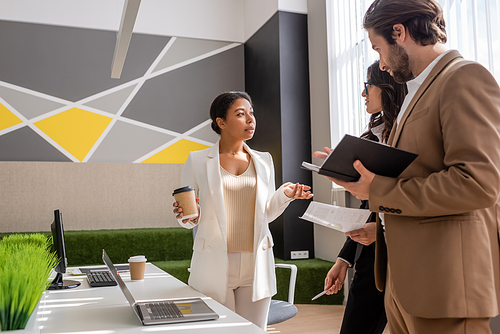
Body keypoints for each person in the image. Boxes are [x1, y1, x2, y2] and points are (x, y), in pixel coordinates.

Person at [316, 0, 500, 333]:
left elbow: (478, 182)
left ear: (399, 33)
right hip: (404, 283)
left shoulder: (464, 77)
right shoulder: (415, 94)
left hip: (445, 286)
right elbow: (418, 176)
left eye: (378, 48)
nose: (381, 63)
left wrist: (376, 189)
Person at [172, 91, 313, 330]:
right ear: (221, 122)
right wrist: (185, 216)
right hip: (214, 261)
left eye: (251, 113)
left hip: (255, 263)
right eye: (240, 114)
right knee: (222, 330)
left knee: (254, 331)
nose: (250, 119)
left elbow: (266, 214)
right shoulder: (197, 160)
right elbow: (189, 218)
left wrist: (284, 196)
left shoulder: (264, 160)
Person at [320, 60, 407, 334]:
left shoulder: (412, 136)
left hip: (410, 256)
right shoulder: (370, 139)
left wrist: (382, 231)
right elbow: (367, 207)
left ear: (388, 86)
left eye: (367, 86)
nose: (363, 94)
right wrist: (344, 259)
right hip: (371, 259)